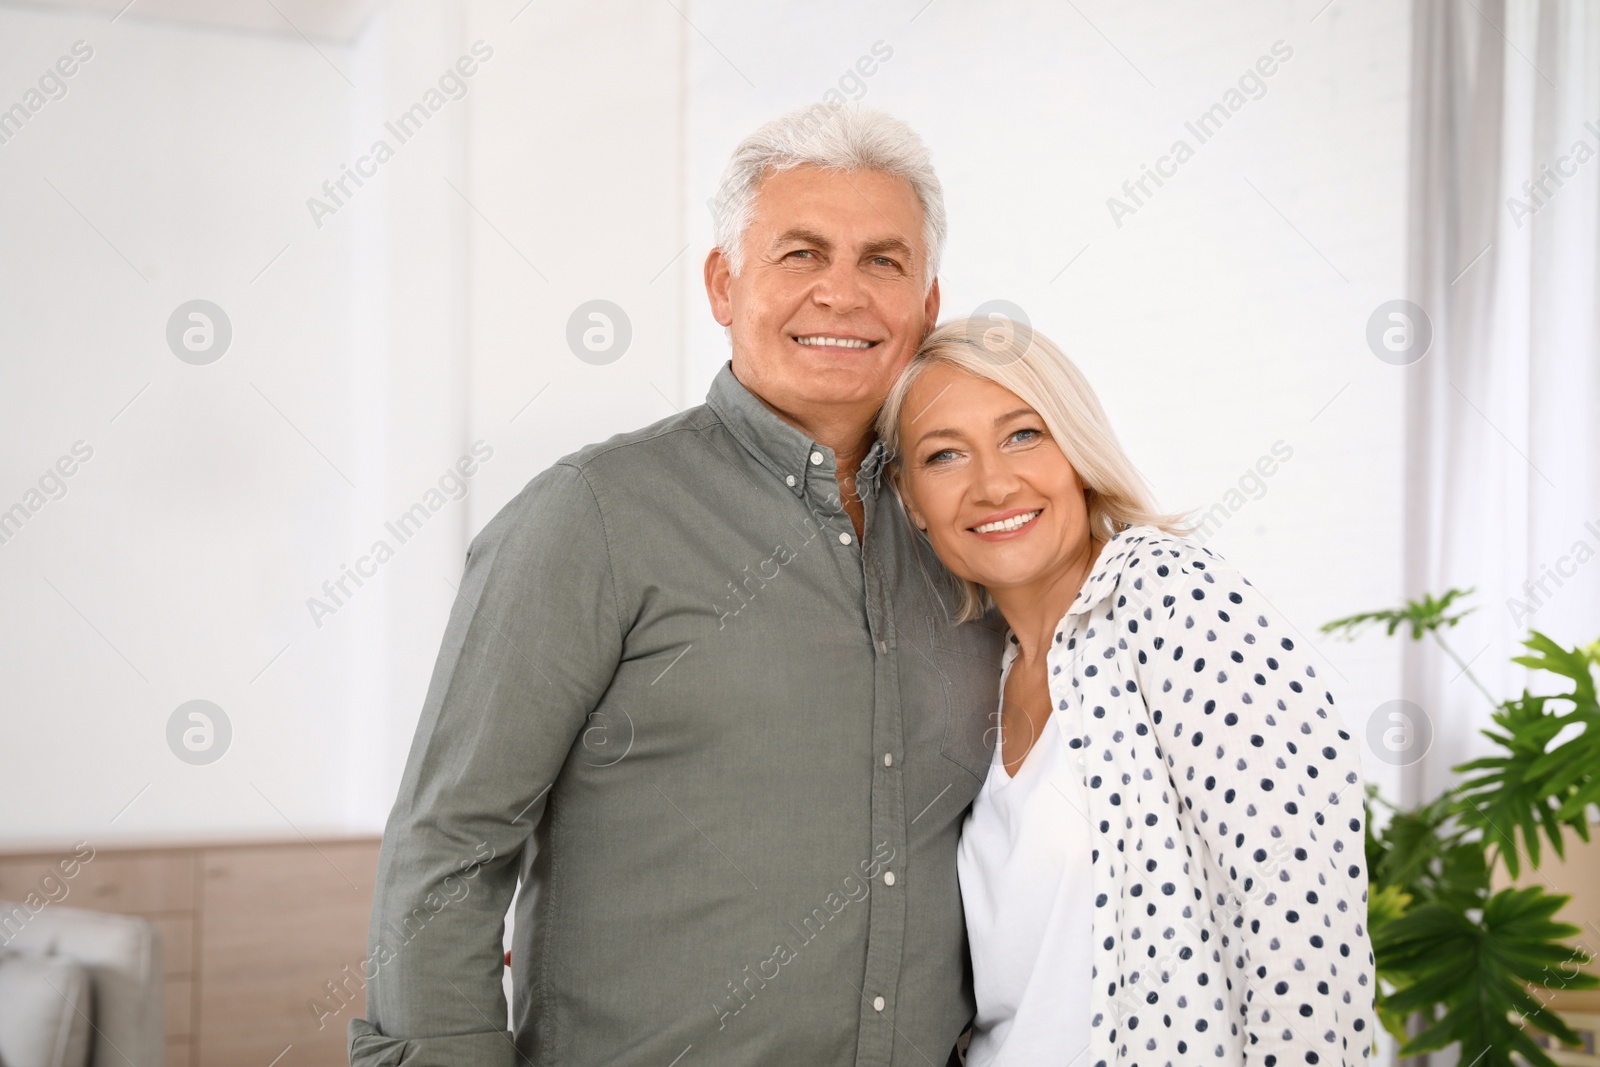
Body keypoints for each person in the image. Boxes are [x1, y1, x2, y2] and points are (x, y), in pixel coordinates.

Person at [349, 106, 1003, 1067]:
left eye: (883, 261)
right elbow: (448, 849)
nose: (842, 293)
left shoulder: (965, 538)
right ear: (724, 284)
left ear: (928, 302)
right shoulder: (592, 517)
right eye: (801, 253)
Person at [878, 320, 1376, 1066]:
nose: (993, 483)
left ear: (1077, 450)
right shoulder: (983, 672)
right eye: (944, 454)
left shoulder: (1167, 593)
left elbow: (1299, 916)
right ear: (911, 499)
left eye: (1023, 435)